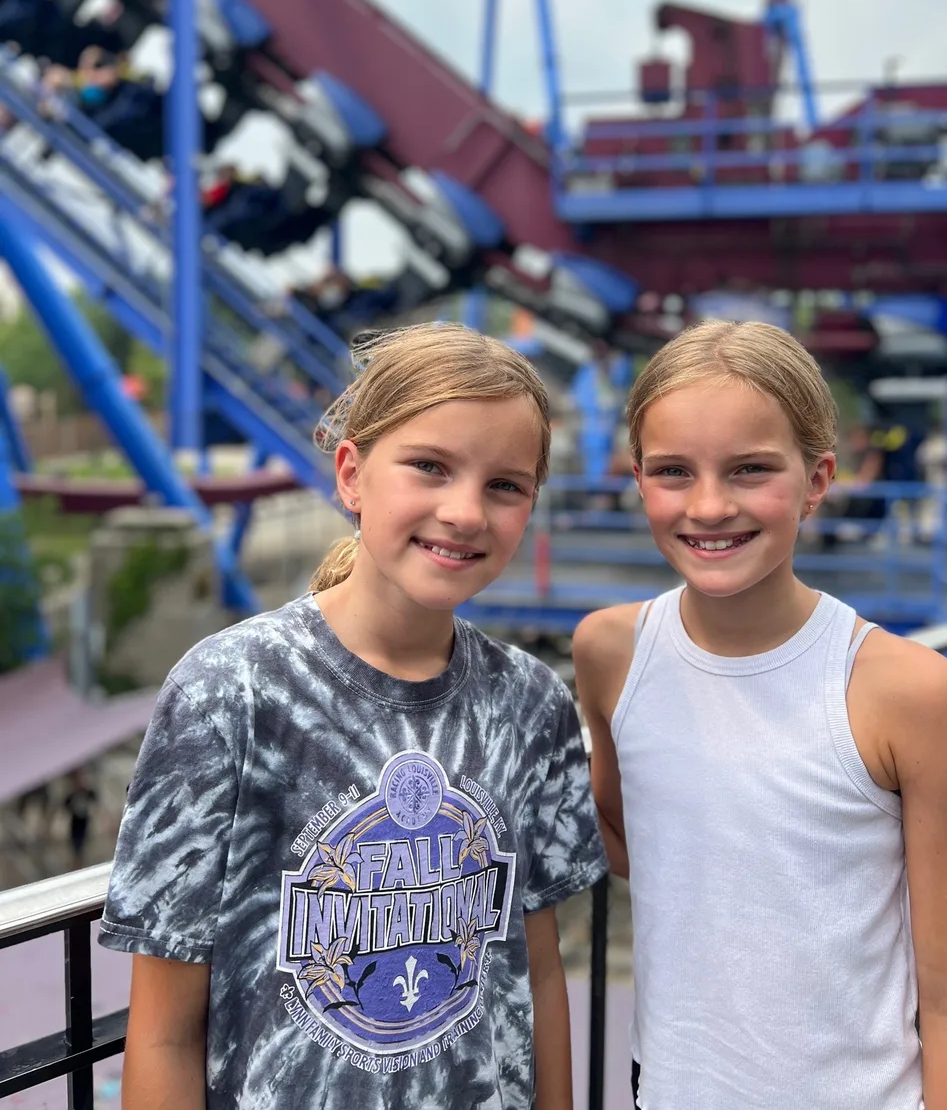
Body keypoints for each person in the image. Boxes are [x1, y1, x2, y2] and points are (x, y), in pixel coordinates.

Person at [99, 322, 607, 1110]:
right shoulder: (230, 691)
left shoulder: (530, 702)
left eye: (505, 484)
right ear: (352, 473)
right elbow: (164, 1030)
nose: (465, 511)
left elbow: (536, 975)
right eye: (430, 467)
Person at [573, 319, 947, 1110]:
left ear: (817, 478)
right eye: (673, 470)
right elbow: (637, 839)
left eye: (750, 469)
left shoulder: (911, 692)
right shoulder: (609, 652)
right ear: (637, 480)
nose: (709, 504)